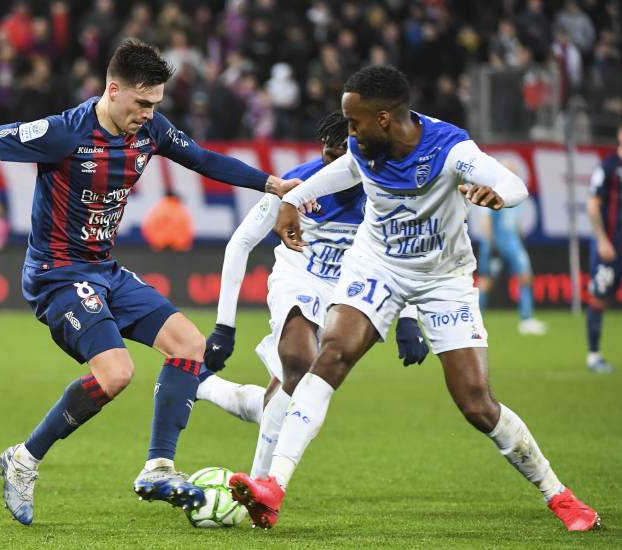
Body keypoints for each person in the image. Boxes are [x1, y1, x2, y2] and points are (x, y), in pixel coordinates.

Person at [229, 65, 600, 532]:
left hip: (443, 277)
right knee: (332, 355)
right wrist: (291, 201)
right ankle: (273, 487)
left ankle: (560, 496)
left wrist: (498, 196)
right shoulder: (363, 148)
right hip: (377, 266)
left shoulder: (449, 149)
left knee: (476, 403)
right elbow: (340, 172)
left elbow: (516, 184)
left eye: (354, 121)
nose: (349, 131)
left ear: (384, 119)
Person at [0, 39, 299, 526]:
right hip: (57, 275)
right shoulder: (63, 132)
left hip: (103, 269)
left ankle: (159, 467)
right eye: (141, 103)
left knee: (189, 344)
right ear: (113, 90)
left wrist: (271, 183)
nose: (148, 113)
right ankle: (23, 459)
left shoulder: (151, 130)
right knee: (117, 373)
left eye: (155, 104)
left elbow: (202, 159)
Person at [199, 112, 429, 480]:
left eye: (342, 158)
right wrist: (224, 326)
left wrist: (408, 319)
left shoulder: (385, 191)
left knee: (288, 401)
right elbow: (241, 242)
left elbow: (405, 251)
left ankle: (206, 386)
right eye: (327, 155)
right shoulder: (298, 185)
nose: (332, 166)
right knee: (299, 362)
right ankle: (259, 486)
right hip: (298, 280)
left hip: (347, 295)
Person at [476, 202, 548, 335]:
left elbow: (515, 220)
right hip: (495, 244)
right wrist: (492, 245)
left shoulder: (514, 193)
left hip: (513, 243)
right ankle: (474, 321)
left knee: (525, 276)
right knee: (486, 282)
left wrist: (520, 237)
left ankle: (526, 320)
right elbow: (486, 220)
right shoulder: (491, 190)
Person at [584, 123, 622, 374]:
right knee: (600, 297)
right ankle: (594, 356)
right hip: (612, 246)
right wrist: (601, 240)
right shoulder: (608, 167)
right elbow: (593, 204)